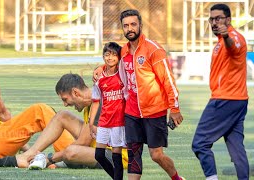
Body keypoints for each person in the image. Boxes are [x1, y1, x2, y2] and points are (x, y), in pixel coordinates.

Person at [94, 9, 184, 180]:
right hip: (131, 112)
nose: (130, 28)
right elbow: (111, 61)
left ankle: (176, 178)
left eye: (133, 24)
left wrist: (175, 108)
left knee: (156, 155)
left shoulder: (153, 49)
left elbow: (168, 80)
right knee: (134, 154)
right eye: (126, 25)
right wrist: (100, 68)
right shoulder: (124, 52)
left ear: (140, 25)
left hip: (154, 111)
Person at [0, 73, 128, 172]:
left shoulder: (100, 103)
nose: (65, 104)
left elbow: (83, 142)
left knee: (71, 152)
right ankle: (28, 155)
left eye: (65, 99)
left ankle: (45, 160)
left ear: (76, 93)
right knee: (62, 116)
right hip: (100, 147)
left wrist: (52, 157)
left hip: (116, 157)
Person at [192, 4, 249, 180]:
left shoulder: (233, 38)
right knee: (236, 148)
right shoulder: (220, 41)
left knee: (200, 143)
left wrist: (226, 35)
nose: (214, 23)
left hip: (225, 99)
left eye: (218, 18)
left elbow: (233, 47)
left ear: (228, 20)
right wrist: (223, 36)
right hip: (238, 100)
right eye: (212, 19)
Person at [90, 42, 126, 179]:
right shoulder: (99, 78)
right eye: (107, 54)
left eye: (114, 55)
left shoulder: (123, 75)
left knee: (117, 156)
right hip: (104, 121)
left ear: (119, 57)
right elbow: (95, 101)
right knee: (99, 155)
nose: (110, 58)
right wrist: (91, 123)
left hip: (119, 121)